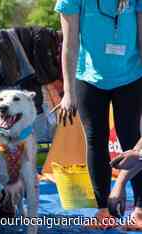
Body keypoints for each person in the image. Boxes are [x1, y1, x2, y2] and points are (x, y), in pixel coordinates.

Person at [55, 0, 142, 229]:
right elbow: (70, 44)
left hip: (131, 76)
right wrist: (68, 91)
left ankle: (140, 210)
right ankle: (104, 210)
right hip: (89, 78)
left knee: (133, 142)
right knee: (95, 141)